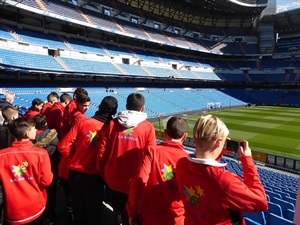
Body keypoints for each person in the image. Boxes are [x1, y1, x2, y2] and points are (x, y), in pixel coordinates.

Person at [175, 114, 268, 225]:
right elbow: (261, 202)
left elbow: (204, 170)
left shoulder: (181, 165)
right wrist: (247, 161)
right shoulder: (225, 181)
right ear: (218, 142)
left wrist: (218, 153)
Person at [97, 93, 156, 225]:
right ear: (143, 108)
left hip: (113, 180)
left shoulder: (112, 123)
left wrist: (104, 172)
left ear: (126, 106)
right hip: (134, 184)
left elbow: (102, 152)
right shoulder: (148, 128)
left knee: (117, 212)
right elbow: (151, 157)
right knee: (132, 216)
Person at [59, 96, 118, 225]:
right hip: (95, 176)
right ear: (114, 111)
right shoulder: (112, 128)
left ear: (99, 107)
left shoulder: (83, 122)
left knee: (78, 211)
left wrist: (74, 157)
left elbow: (63, 146)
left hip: (75, 174)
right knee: (94, 213)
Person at [126, 116, 189, 225]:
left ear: (165, 133)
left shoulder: (153, 151)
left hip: (150, 215)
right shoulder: (188, 159)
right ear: (185, 136)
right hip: (176, 218)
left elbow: (139, 182)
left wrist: (132, 212)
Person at [0, 117, 53, 225]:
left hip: (12, 210)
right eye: (34, 129)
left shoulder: (2, 156)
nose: (36, 131)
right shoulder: (41, 153)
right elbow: (47, 181)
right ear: (27, 134)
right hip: (35, 206)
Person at [58, 92, 90, 224]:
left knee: (70, 197)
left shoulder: (72, 112)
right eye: (84, 106)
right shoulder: (80, 119)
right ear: (77, 104)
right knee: (74, 198)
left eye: (88, 105)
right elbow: (65, 145)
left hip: (67, 165)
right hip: (71, 166)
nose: (87, 108)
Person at [33, 114, 60, 225]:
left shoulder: (31, 137)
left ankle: (39, 213)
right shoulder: (53, 135)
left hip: (36, 169)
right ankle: (51, 216)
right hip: (51, 167)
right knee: (51, 194)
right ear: (45, 123)